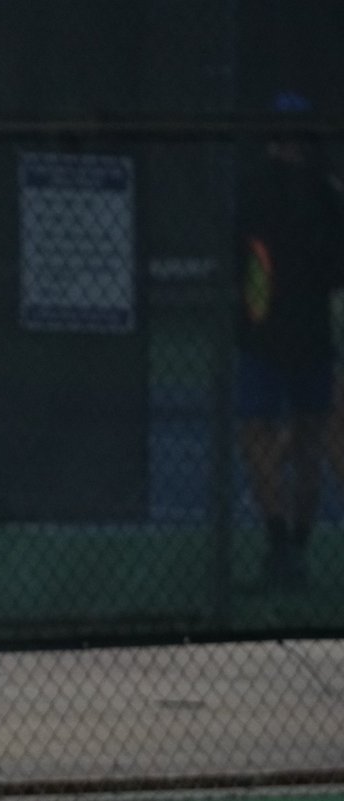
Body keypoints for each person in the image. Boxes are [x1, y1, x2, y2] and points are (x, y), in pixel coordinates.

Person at [235, 91, 344, 591]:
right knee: (299, 444)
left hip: (282, 339)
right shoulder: (321, 192)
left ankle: (286, 548)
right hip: (292, 339)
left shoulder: (313, 192)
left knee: (288, 442)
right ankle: (288, 547)